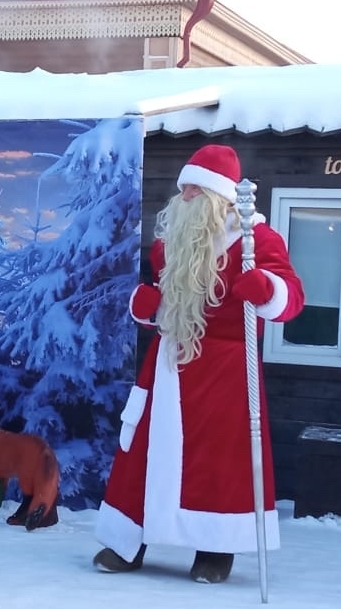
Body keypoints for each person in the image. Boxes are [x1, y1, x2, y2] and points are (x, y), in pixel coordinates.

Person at [93, 144, 305, 583]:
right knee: (144, 453)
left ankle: (215, 548)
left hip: (225, 371)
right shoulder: (170, 242)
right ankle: (129, 541)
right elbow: (160, 302)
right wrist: (146, 307)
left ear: (217, 196)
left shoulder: (256, 241)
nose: (183, 195)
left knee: (218, 460)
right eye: (182, 187)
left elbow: (291, 299)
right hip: (169, 362)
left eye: (193, 189)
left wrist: (266, 289)